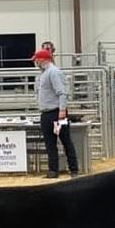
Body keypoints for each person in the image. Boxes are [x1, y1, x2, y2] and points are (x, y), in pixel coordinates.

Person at [34, 47, 79, 179]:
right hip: (48, 113)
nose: (35, 62)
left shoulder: (53, 72)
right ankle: (53, 170)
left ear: (42, 60)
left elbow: (62, 92)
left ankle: (73, 169)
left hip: (56, 113)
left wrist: (62, 110)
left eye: (36, 60)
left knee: (65, 141)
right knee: (50, 143)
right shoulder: (45, 73)